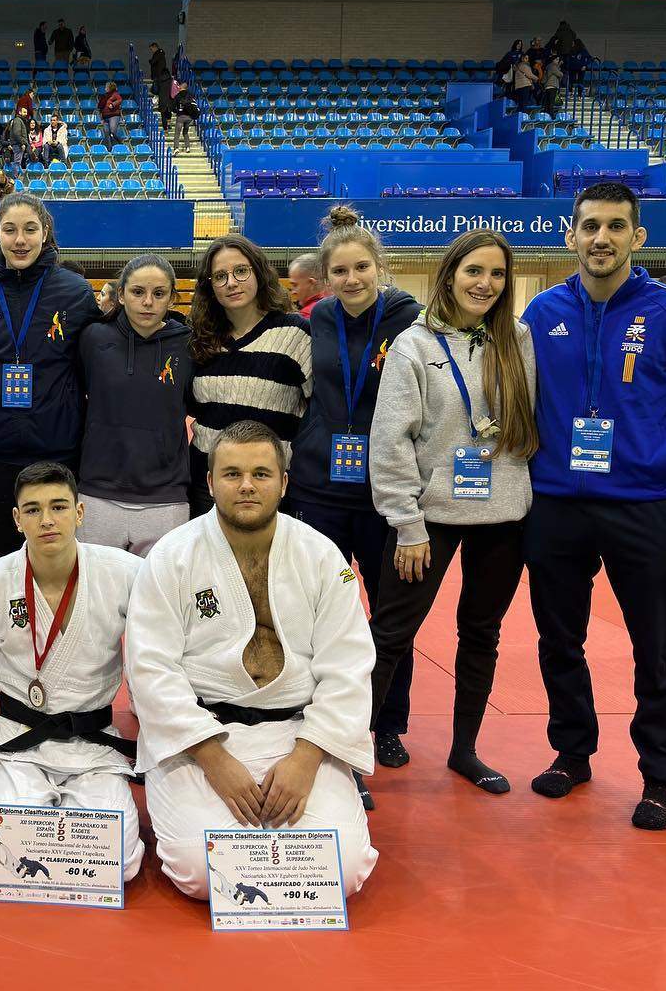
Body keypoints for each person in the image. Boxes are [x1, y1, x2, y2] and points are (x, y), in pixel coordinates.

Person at [521, 182, 666, 830]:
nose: (601, 238)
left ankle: (660, 776)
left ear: (637, 237)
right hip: (554, 505)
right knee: (559, 639)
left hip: (644, 506)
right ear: (570, 235)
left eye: (615, 227)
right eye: (589, 227)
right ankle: (572, 751)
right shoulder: (542, 313)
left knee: (659, 648)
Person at [125, 421, 378, 901]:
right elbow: (150, 668)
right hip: (201, 733)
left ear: (285, 481)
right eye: (232, 473)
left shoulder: (322, 556)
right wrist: (213, 756)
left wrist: (307, 757)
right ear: (210, 481)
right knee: (202, 871)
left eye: (261, 473)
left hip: (298, 731)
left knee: (339, 870)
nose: (246, 485)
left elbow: (348, 663)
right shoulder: (173, 556)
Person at [368, 229, 538, 796]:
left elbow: (531, 427)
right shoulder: (414, 345)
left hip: (504, 517)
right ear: (449, 275)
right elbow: (390, 441)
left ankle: (465, 748)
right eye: (473, 271)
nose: (484, 283)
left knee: (481, 634)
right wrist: (406, 523)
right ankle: (346, 756)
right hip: (428, 520)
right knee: (390, 634)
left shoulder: (518, 340)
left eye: (495, 274)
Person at [284, 209, 422, 785]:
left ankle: (387, 721)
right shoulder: (316, 322)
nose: (351, 278)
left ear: (380, 266)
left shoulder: (412, 321)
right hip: (320, 487)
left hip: (386, 491)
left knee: (390, 614)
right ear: (326, 275)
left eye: (361, 266)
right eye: (339, 270)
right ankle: (314, 714)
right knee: (318, 611)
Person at [0, 462, 145, 881]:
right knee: (0, 848)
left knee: (116, 858)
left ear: (80, 512)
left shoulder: (124, 573)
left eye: (59, 507)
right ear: (16, 518)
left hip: (93, 742)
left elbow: (151, 651)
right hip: (19, 737)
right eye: (33, 510)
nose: (47, 520)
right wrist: (6, 680)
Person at [0, 195, 102, 559]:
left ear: (45, 232)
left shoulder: (75, 291)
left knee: (56, 555)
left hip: (56, 449)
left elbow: (101, 350)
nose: (20, 240)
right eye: (10, 230)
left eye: (30, 229)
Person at [187, 234, 313, 516]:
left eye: (240, 271)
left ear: (258, 272)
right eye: (220, 276)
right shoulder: (202, 339)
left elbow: (316, 412)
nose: (231, 283)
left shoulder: (294, 334)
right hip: (209, 485)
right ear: (210, 287)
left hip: (268, 486)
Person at [78, 254, 193, 557]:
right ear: (121, 295)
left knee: (161, 598)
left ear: (172, 298)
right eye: (138, 292)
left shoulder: (188, 345)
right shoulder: (93, 338)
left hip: (165, 498)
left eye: (159, 294)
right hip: (97, 492)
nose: (148, 303)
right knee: (98, 597)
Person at [285, 252, 327, 317]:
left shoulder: (308, 315)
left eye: (295, 285)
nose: (293, 292)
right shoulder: (336, 305)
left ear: (311, 283)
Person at [148, 43, 172, 128]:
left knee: (163, 110)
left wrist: (150, 61)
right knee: (166, 109)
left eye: (151, 49)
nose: (151, 51)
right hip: (167, 101)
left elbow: (153, 62)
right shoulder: (168, 79)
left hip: (163, 100)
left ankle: (166, 127)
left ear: (155, 47)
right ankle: (168, 125)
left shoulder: (158, 54)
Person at [2, 109, 31, 173]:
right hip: (18, 145)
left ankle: (15, 177)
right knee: (17, 162)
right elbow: (17, 134)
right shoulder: (18, 120)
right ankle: (15, 178)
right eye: (24, 112)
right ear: (20, 112)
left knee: (17, 162)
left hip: (17, 144)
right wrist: (22, 143)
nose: (26, 114)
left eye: (26, 112)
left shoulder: (20, 120)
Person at [172, 87, 199, 153]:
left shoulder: (178, 96)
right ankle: (187, 147)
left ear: (181, 88)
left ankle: (176, 148)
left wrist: (177, 111)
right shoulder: (190, 95)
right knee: (185, 133)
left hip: (181, 117)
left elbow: (172, 107)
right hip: (189, 118)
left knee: (177, 133)